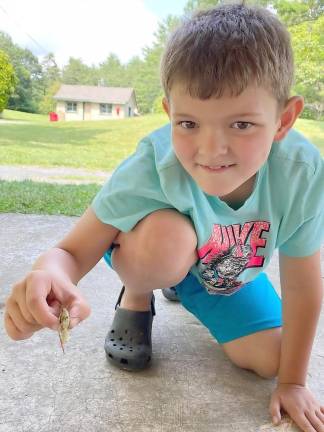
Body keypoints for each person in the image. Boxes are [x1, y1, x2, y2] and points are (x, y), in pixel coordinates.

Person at [4, 4, 324, 430]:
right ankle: (139, 295)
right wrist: (51, 275)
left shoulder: (302, 174)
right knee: (166, 248)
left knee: (271, 360)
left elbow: (305, 281)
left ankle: (185, 281)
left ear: (284, 119)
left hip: (221, 266)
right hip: (156, 246)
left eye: (242, 124)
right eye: (189, 123)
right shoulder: (154, 164)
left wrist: (294, 381)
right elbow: (71, 251)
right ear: (169, 111)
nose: (211, 150)